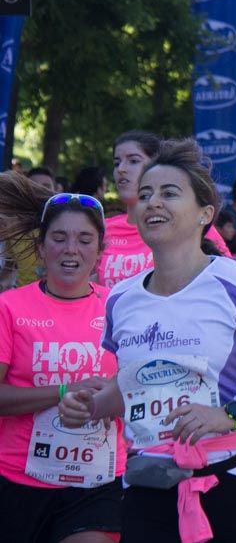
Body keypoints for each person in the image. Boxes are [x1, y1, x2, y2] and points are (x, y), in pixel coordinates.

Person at [58, 139, 236, 542]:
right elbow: (129, 389)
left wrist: (227, 415)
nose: (152, 203)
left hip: (235, 478)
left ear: (205, 214)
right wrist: (89, 406)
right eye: (145, 195)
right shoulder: (121, 298)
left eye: (168, 193)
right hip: (151, 482)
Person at [0, 175, 126, 542]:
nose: (71, 249)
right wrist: (64, 391)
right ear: (41, 248)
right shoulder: (9, 308)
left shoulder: (120, 307)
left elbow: (142, 384)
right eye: (59, 238)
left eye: (85, 240)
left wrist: (112, 397)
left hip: (98, 482)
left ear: (100, 252)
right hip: (18, 479)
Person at [98, 131, 229, 288]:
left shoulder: (193, 223)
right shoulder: (103, 228)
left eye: (133, 161)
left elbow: (226, 281)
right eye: (116, 163)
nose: (121, 169)